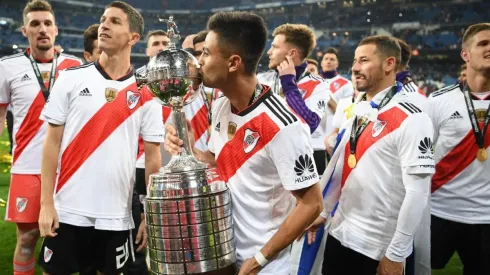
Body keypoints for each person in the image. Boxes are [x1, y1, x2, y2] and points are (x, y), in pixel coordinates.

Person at [164, 11, 323, 275]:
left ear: (233, 62)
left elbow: (312, 204)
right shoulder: (222, 103)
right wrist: (190, 149)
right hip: (225, 252)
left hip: (265, 265)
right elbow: (221, 163)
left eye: (206, 53)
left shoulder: (283, 125)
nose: (199, 62)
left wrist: (260, 258)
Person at [37, 2, 164, 274]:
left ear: (133, 38)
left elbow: (153, 157)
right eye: (103, 19)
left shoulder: (146, 91)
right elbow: (51, 144)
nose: (104, 25)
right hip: (67, 209)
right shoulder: (70, 79)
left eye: (115, 21)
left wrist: (150, 215)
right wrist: (46, 204)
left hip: (116, 216)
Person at [307, 35, 434, 275]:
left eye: (364, 60)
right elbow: (344, 165)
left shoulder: (414, 119)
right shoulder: (362, 108)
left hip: (375, 246)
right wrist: (324, 212)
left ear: (389, 64)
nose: (355, 67)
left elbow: (418, 192)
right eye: (355, 61)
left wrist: (396, 254)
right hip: (340, 233)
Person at [0, 1, 82, 274]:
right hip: (27, 168)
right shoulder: (7, 67)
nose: (42, 29)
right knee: (27, 239)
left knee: (72, 241)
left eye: (47, 23)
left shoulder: (75, 66)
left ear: (56, 29)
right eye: (35, 24)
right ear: (24, 30)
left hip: (68, 170)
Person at [428, 23, 490, 275]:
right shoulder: (438, 101)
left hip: (486, 217)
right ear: (465, 54)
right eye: (483, 44)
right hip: (437, 210)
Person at [258, 23, 330, 174]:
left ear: (292, 53)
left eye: (275, 47)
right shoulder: (261, 80)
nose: (269, 52)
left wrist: (289, 85)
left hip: (297, 165)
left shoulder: (318, 85)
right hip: (261, 164)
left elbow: (309, 124)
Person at [319, 47, 354, 143]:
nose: (328, 62)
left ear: (337, 64)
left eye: (332, 59)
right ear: (322, 63)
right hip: (315, 134)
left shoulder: (346, 84)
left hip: (335, 133)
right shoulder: (313, 82)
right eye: (326, 59)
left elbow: (347, 112)